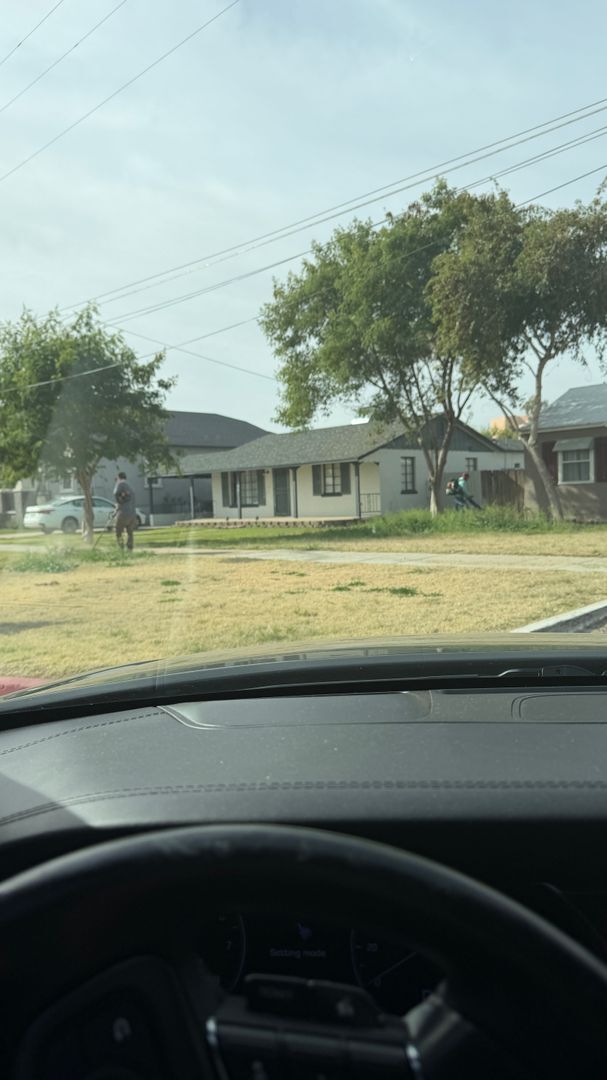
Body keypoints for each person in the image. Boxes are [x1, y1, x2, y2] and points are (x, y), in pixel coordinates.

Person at [113, 471, 137, 550]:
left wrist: (119, 502)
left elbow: (116, 493)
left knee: (118, 531)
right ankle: (130, 548)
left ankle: (120, 548)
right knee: (130, 532)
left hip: (123, 513)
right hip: (132, 514)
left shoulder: (120, 483)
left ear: (118, 478)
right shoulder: (130, 486)